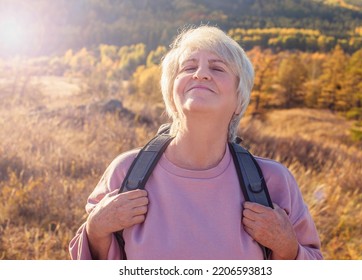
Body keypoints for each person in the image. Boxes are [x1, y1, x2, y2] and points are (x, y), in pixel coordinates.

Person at [69, 25, 323, 260]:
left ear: (239, 100)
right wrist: (95, 230)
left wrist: (289, 248)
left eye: (218, 68)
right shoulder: (126, 173)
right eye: (189, 67)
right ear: (172, 93)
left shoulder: (273, 182)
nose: (201, 74)